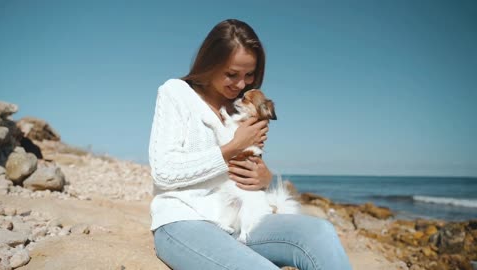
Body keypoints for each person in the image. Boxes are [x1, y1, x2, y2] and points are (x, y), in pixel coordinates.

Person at [149, 19, 352, 270]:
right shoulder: (176, 93)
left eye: (249, 75)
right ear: (210, 63)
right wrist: (232, 148)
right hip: (185, 222)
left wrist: (265, 179)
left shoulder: (243, 108)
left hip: (242, 222)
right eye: (231, 74)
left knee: (320, 232)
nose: (241, 85)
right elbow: (163, 172)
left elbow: (244, 172)